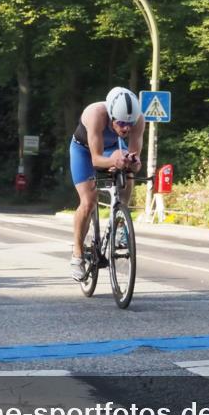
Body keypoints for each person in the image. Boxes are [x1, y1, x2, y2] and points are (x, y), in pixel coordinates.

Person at [69, 87, 144, 281]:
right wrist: (114, 161)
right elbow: (95, 160)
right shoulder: (96, 114)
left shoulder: (139, 120)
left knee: (127, 174)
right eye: (120, 123)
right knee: (88, 202)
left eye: (129, 123)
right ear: (111, 116)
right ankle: (77, 255)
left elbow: (135, 162)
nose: (126, 128)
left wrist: (133, 164)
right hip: (84, 151)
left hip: (112, 149)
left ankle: (121, 222)